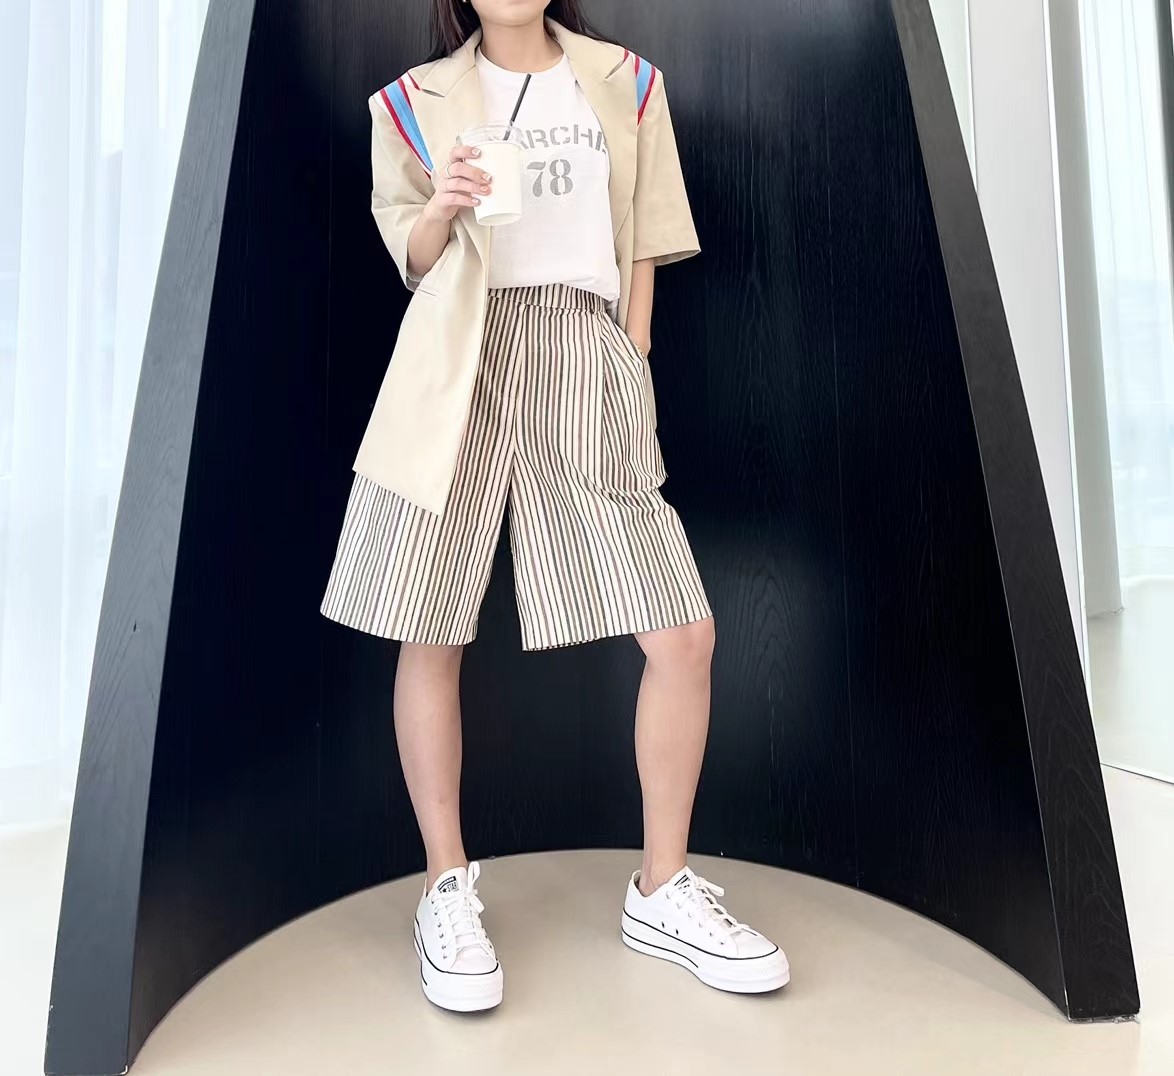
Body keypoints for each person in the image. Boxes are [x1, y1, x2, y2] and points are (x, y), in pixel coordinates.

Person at [320, 0, 789, 1012]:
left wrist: (632, 350)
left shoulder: (626, 81)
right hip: (459, 356)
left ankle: (662, 888)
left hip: (583, 348)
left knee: (684, 632)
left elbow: (649, 236)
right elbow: (410, 254)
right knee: (427, 623)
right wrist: (443, 205)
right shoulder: (412, 101)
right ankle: (444, 886)